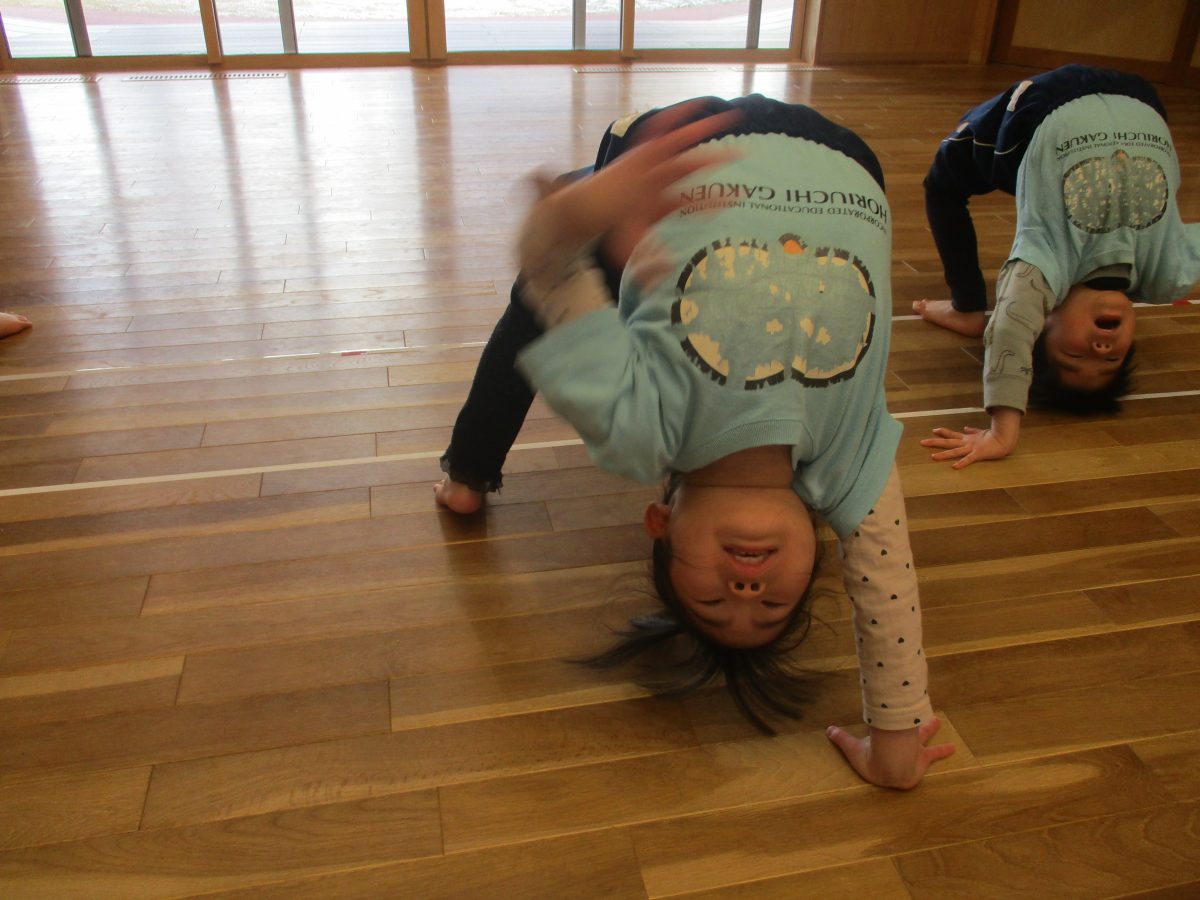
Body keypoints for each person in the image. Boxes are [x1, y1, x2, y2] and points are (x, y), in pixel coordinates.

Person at [436, 95, 953, 789]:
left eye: (715, 603)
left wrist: (583, 212)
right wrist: (893, 751)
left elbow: (546, 266)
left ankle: (467, 468)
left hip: (688, 150)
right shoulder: (850, 468)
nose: (746, 588)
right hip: (845, 161)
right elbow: (887, 596)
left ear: (661, 522)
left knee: (575, 271)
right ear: (819, 548)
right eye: (771, 607)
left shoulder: (637, 430)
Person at [914, 65, 1200, 468]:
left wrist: (1002, 433)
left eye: (1075, 356)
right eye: (1111, 361)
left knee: (943, 182)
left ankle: (967, 307)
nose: (1100, 349)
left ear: (1042, 320)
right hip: (1141, 99)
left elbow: (1010, 329)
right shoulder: (1169, 274)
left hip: (1045, 106)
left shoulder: (1044, 267)